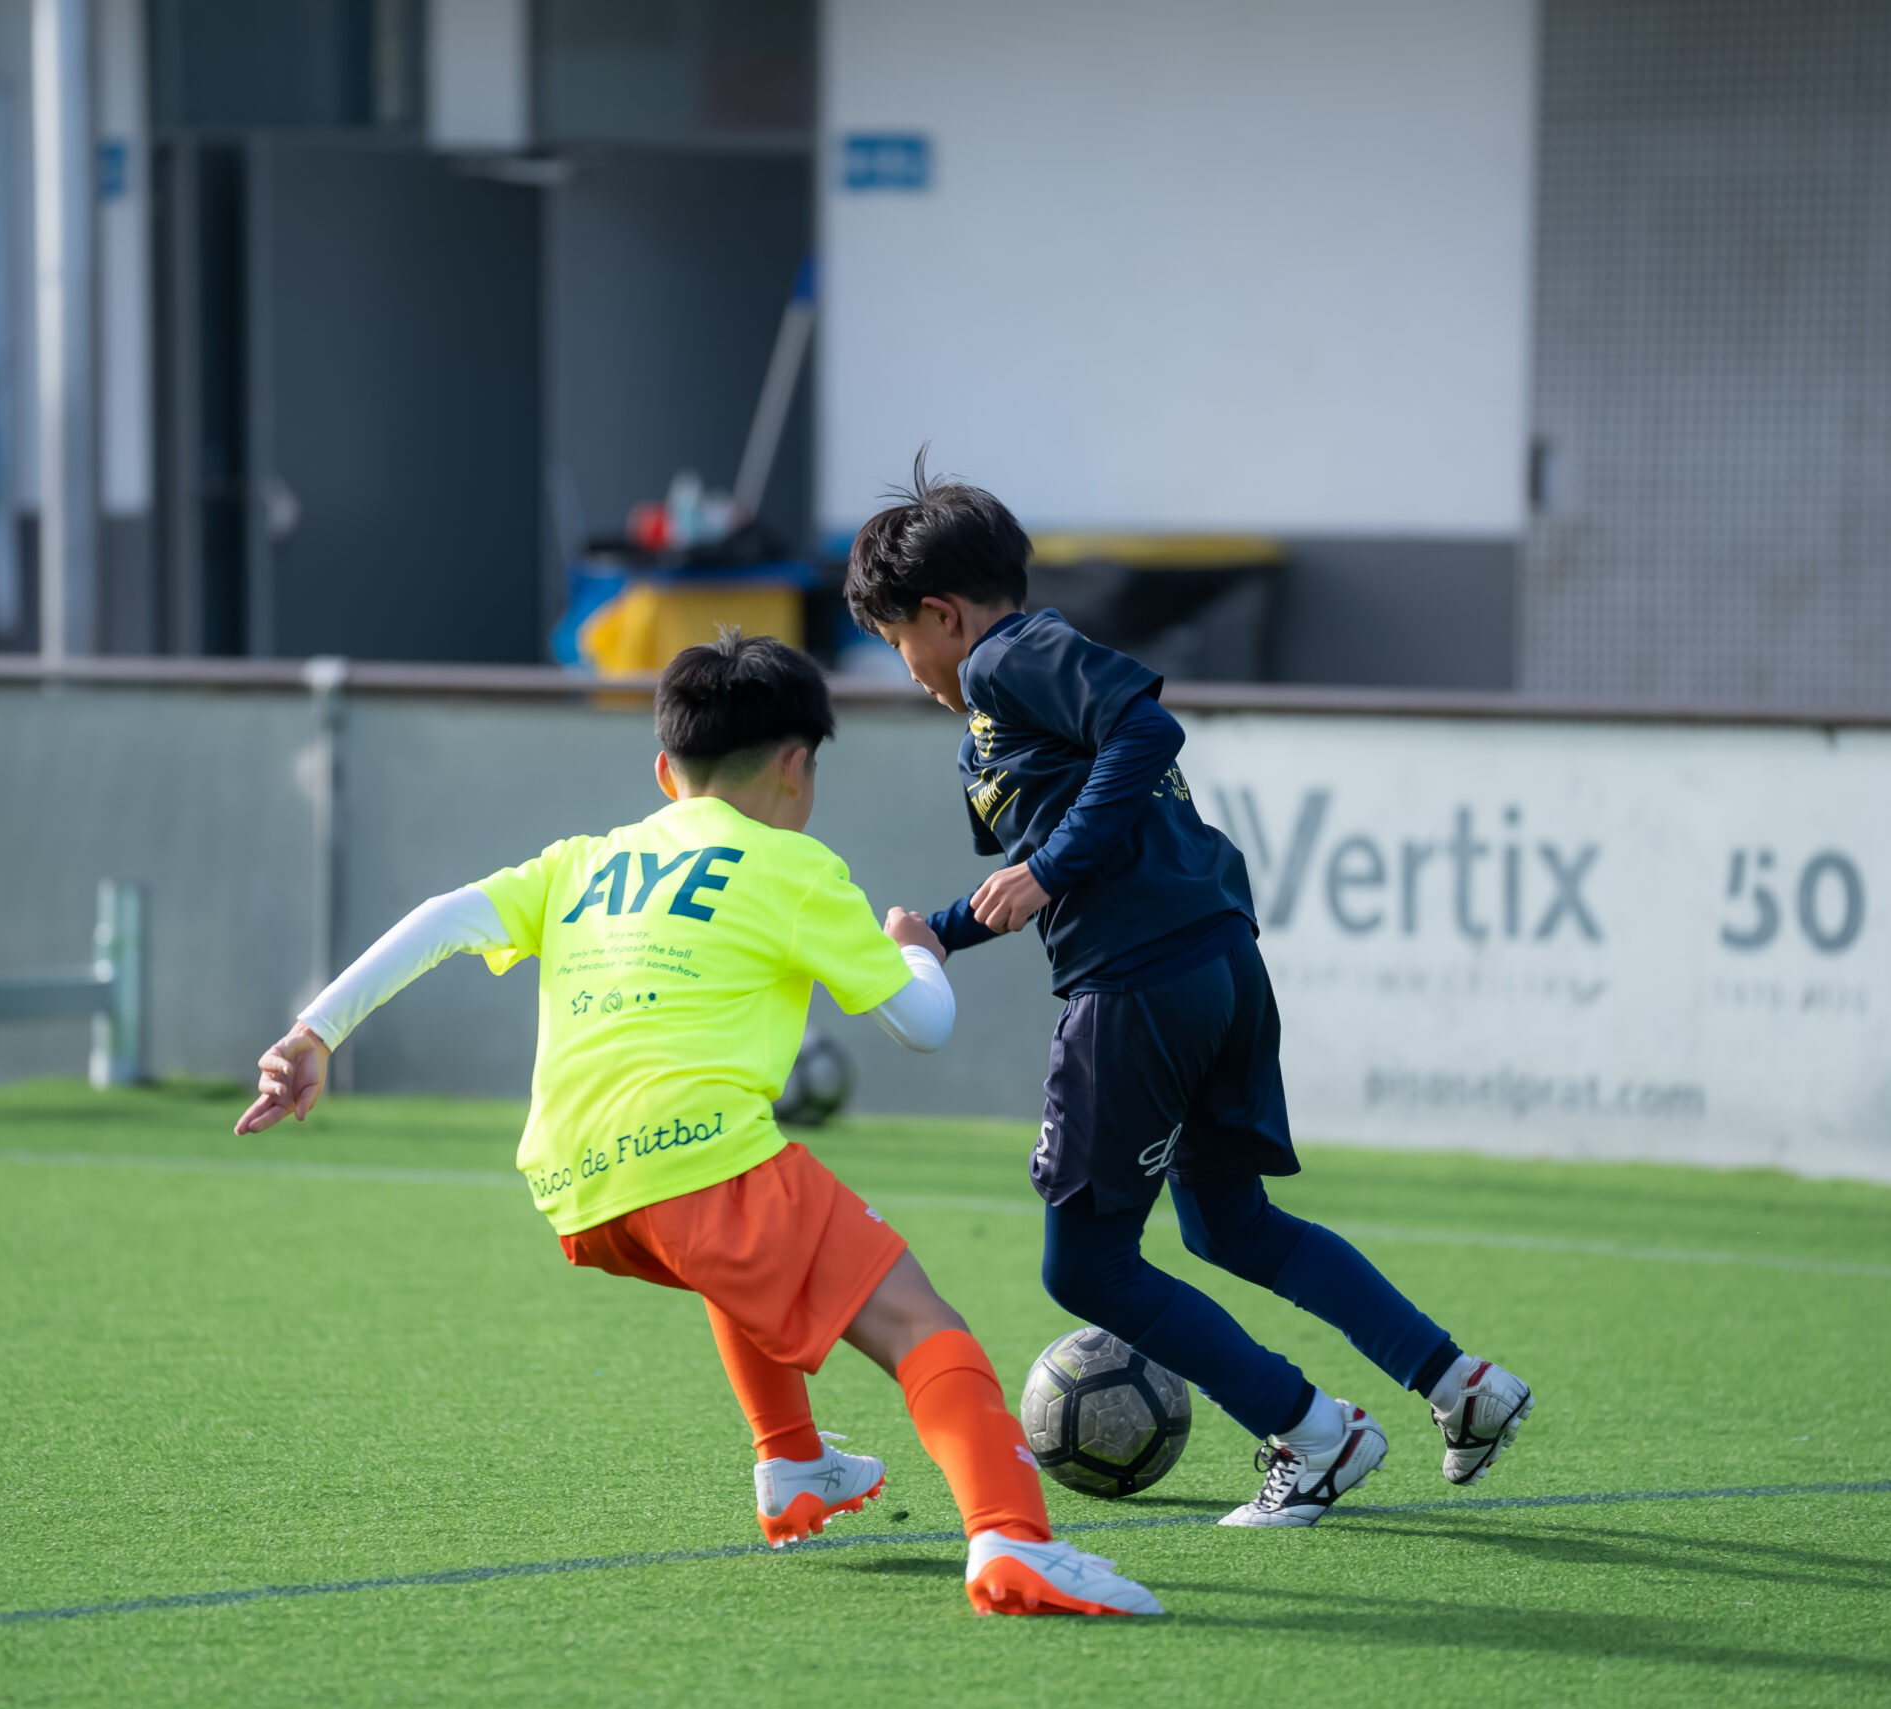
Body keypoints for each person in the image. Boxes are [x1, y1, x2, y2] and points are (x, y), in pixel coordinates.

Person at [235, 631, 1160, 1617]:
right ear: (798, 765)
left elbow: (439, 918)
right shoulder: (796, 868)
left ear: (663, 771)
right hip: (695, 1155)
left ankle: (794, 1463)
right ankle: (1014, 1542)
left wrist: (313, 1033)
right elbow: (925, 1026)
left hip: (577, 1186)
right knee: (922, 1325)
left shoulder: (584, 861)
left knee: (739, 1256)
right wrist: (914, 949)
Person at [846, 453, 1534, 1527]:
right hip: (1211, 962)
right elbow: (1048, 869)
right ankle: (1460, 1386)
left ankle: (1315, 1434)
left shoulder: (1007, 657)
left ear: (942, 615)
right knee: (1230, 1227)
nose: (908, 670)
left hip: (1140, 988)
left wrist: (1046, 870)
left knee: (1087, 1271)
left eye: (898, 643)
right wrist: (938, 932)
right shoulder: (1000, 707)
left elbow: (1144, 733)